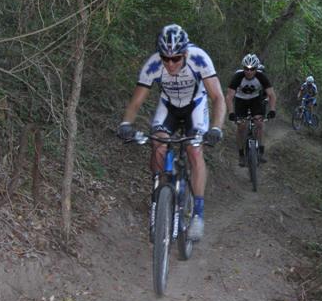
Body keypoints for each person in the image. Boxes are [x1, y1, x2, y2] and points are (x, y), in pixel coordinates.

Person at [116, 24, 226, 241]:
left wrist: (215, 128)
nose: (170, 63)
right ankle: (161, 194)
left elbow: (218, 98)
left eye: (175, 58)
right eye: (165, 58)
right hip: (169, 107)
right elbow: (136, 102)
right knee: (158, 144)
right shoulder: (153, 65)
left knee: (194, 150)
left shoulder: (199, 59)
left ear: (185, 53)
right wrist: (126, 124)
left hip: (195, 106)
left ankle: (198, 214)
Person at [226, 53, 276, 166]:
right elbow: (229, 96)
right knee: (241, 126)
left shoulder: (261, 76)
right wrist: (231, 113)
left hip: (255, 100)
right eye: (246, 69)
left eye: (252, 69)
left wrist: (272, 110)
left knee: (260, 123)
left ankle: (261, 151)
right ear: (243, 68)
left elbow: (272, 95)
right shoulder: (237, 77)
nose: (249, 72)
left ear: (256, 69)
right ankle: (241, 155)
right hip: (240, 100)